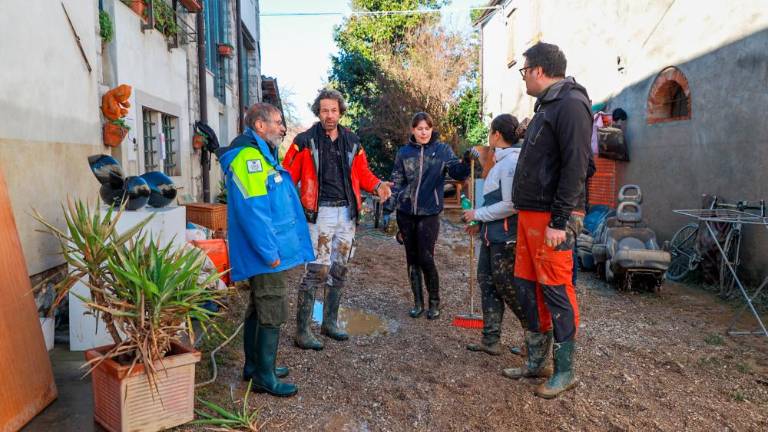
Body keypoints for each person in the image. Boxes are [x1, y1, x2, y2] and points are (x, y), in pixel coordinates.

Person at [501, 42, 592, 399]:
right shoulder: (548, 106)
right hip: (531, 213)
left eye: (524, 70)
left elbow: (577, 166)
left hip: (550, 217)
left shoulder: (571, 104)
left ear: (539, 70)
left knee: (556, 288)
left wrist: (560, 220)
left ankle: (565, 371)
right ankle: (538, 362)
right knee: (527, 286)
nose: (524, 77)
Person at [218, 103, 315, 397]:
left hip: (267, 249)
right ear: (260, 126)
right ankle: (264, 377)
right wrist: (269, 253)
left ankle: (256, 366)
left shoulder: (262, 154)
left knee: (258, 307)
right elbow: (254, 212)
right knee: (272, 308)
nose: (283, 128)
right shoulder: (250, 158)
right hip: (265, 252)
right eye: (277, 122)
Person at [283, 88, 392, 350]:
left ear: (340, 111)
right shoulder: (304, 141)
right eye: (324, 111)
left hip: (346, 214)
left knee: (339, 268)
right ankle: (302, 331)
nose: (329, 115)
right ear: (318, 112)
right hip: (318, 214)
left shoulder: (352, 141)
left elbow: (363, 174)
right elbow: (287, 176)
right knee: (316, 269)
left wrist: (378, 185)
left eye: (333, 110)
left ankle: (329, 323)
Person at [390, 112, 474, 320]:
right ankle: (418, 303)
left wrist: (466, 159)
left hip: (429, 212)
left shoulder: (442, 150)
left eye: (427, 128)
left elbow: (458, 173)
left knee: (426, 257)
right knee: (412, 258)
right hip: (405, 212)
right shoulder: (404, 153)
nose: (423, 132)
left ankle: (434, 302)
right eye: (419, 129)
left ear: (431, 129)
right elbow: (396, 181)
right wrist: (389, 207)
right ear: (413, 130)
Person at [462, 114, 529, 356]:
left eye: (490, 132)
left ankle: (535, 340)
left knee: (510, 290)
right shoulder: (499, 162)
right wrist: (480, 223)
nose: (489, 137)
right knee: (487, 283)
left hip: (506, 238)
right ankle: (491, 340)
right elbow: (494, 200)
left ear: (497, 134)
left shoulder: (511, 163)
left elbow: (511, 205)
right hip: (492, 237)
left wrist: (477, 213)